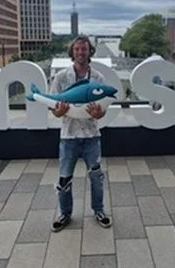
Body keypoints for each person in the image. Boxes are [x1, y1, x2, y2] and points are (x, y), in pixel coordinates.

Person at [49, 35, 112, 232]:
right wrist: (57, 111)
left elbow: (103, 110)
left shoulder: (98, 79)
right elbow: (53, 106)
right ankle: (65, 213)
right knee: (64, 177)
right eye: (77, 49)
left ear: (90, 51)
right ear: (72, 52)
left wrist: (98, 113)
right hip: (68, 136)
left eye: (84, 49)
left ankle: (99, 210)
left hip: (92, 136)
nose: (80, 52)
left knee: (96, 177)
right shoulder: (60, 77)